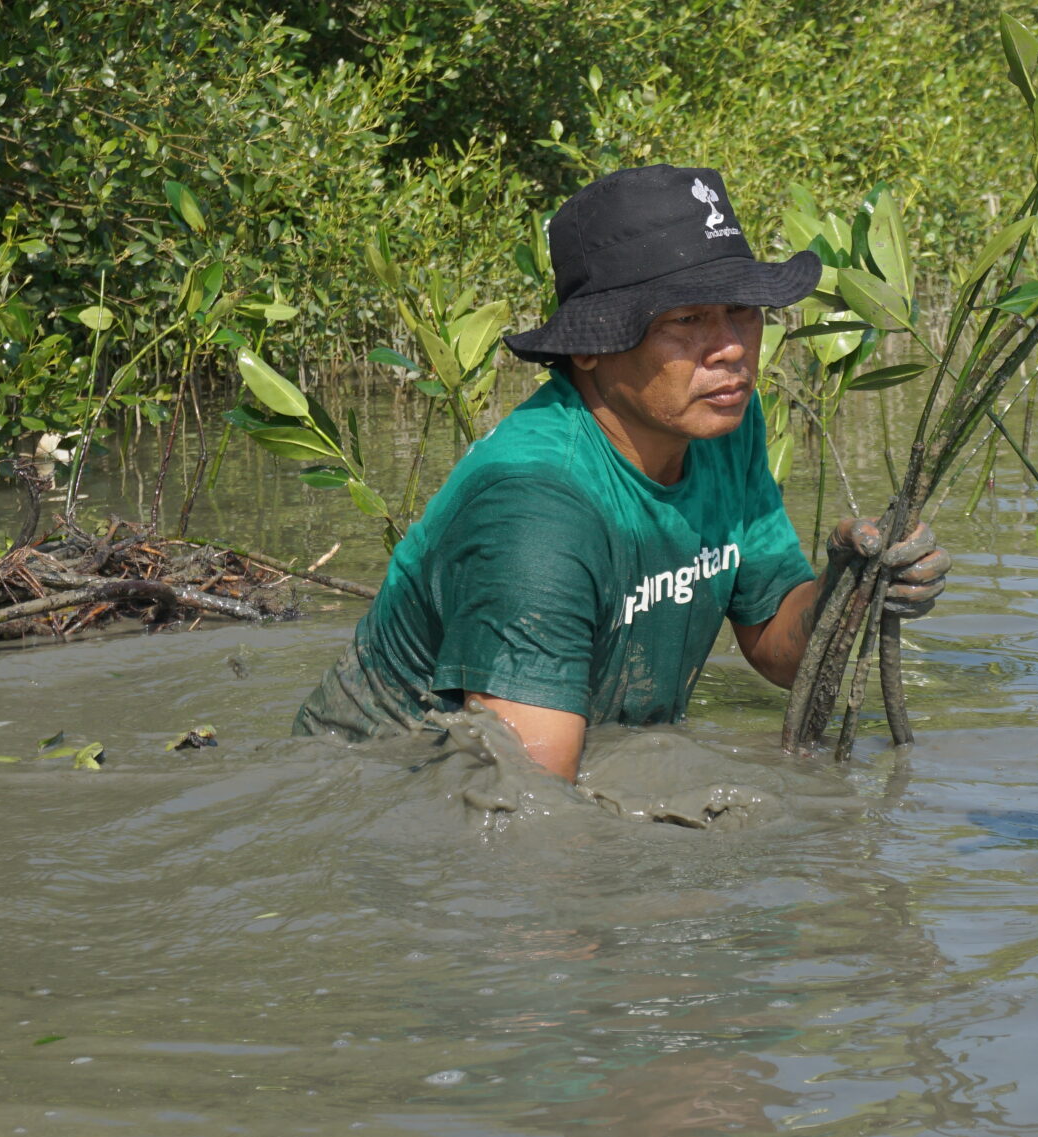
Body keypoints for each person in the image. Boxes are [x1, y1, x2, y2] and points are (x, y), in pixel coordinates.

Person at [293, 164, 950, 777]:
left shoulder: (722, 423)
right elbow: (531, 808)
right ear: (589, 347)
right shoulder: (537, 508)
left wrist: (850, 584)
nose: (730, 348)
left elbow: (777, 647)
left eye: (742, 310)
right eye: (687, 319)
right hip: (377, 780)